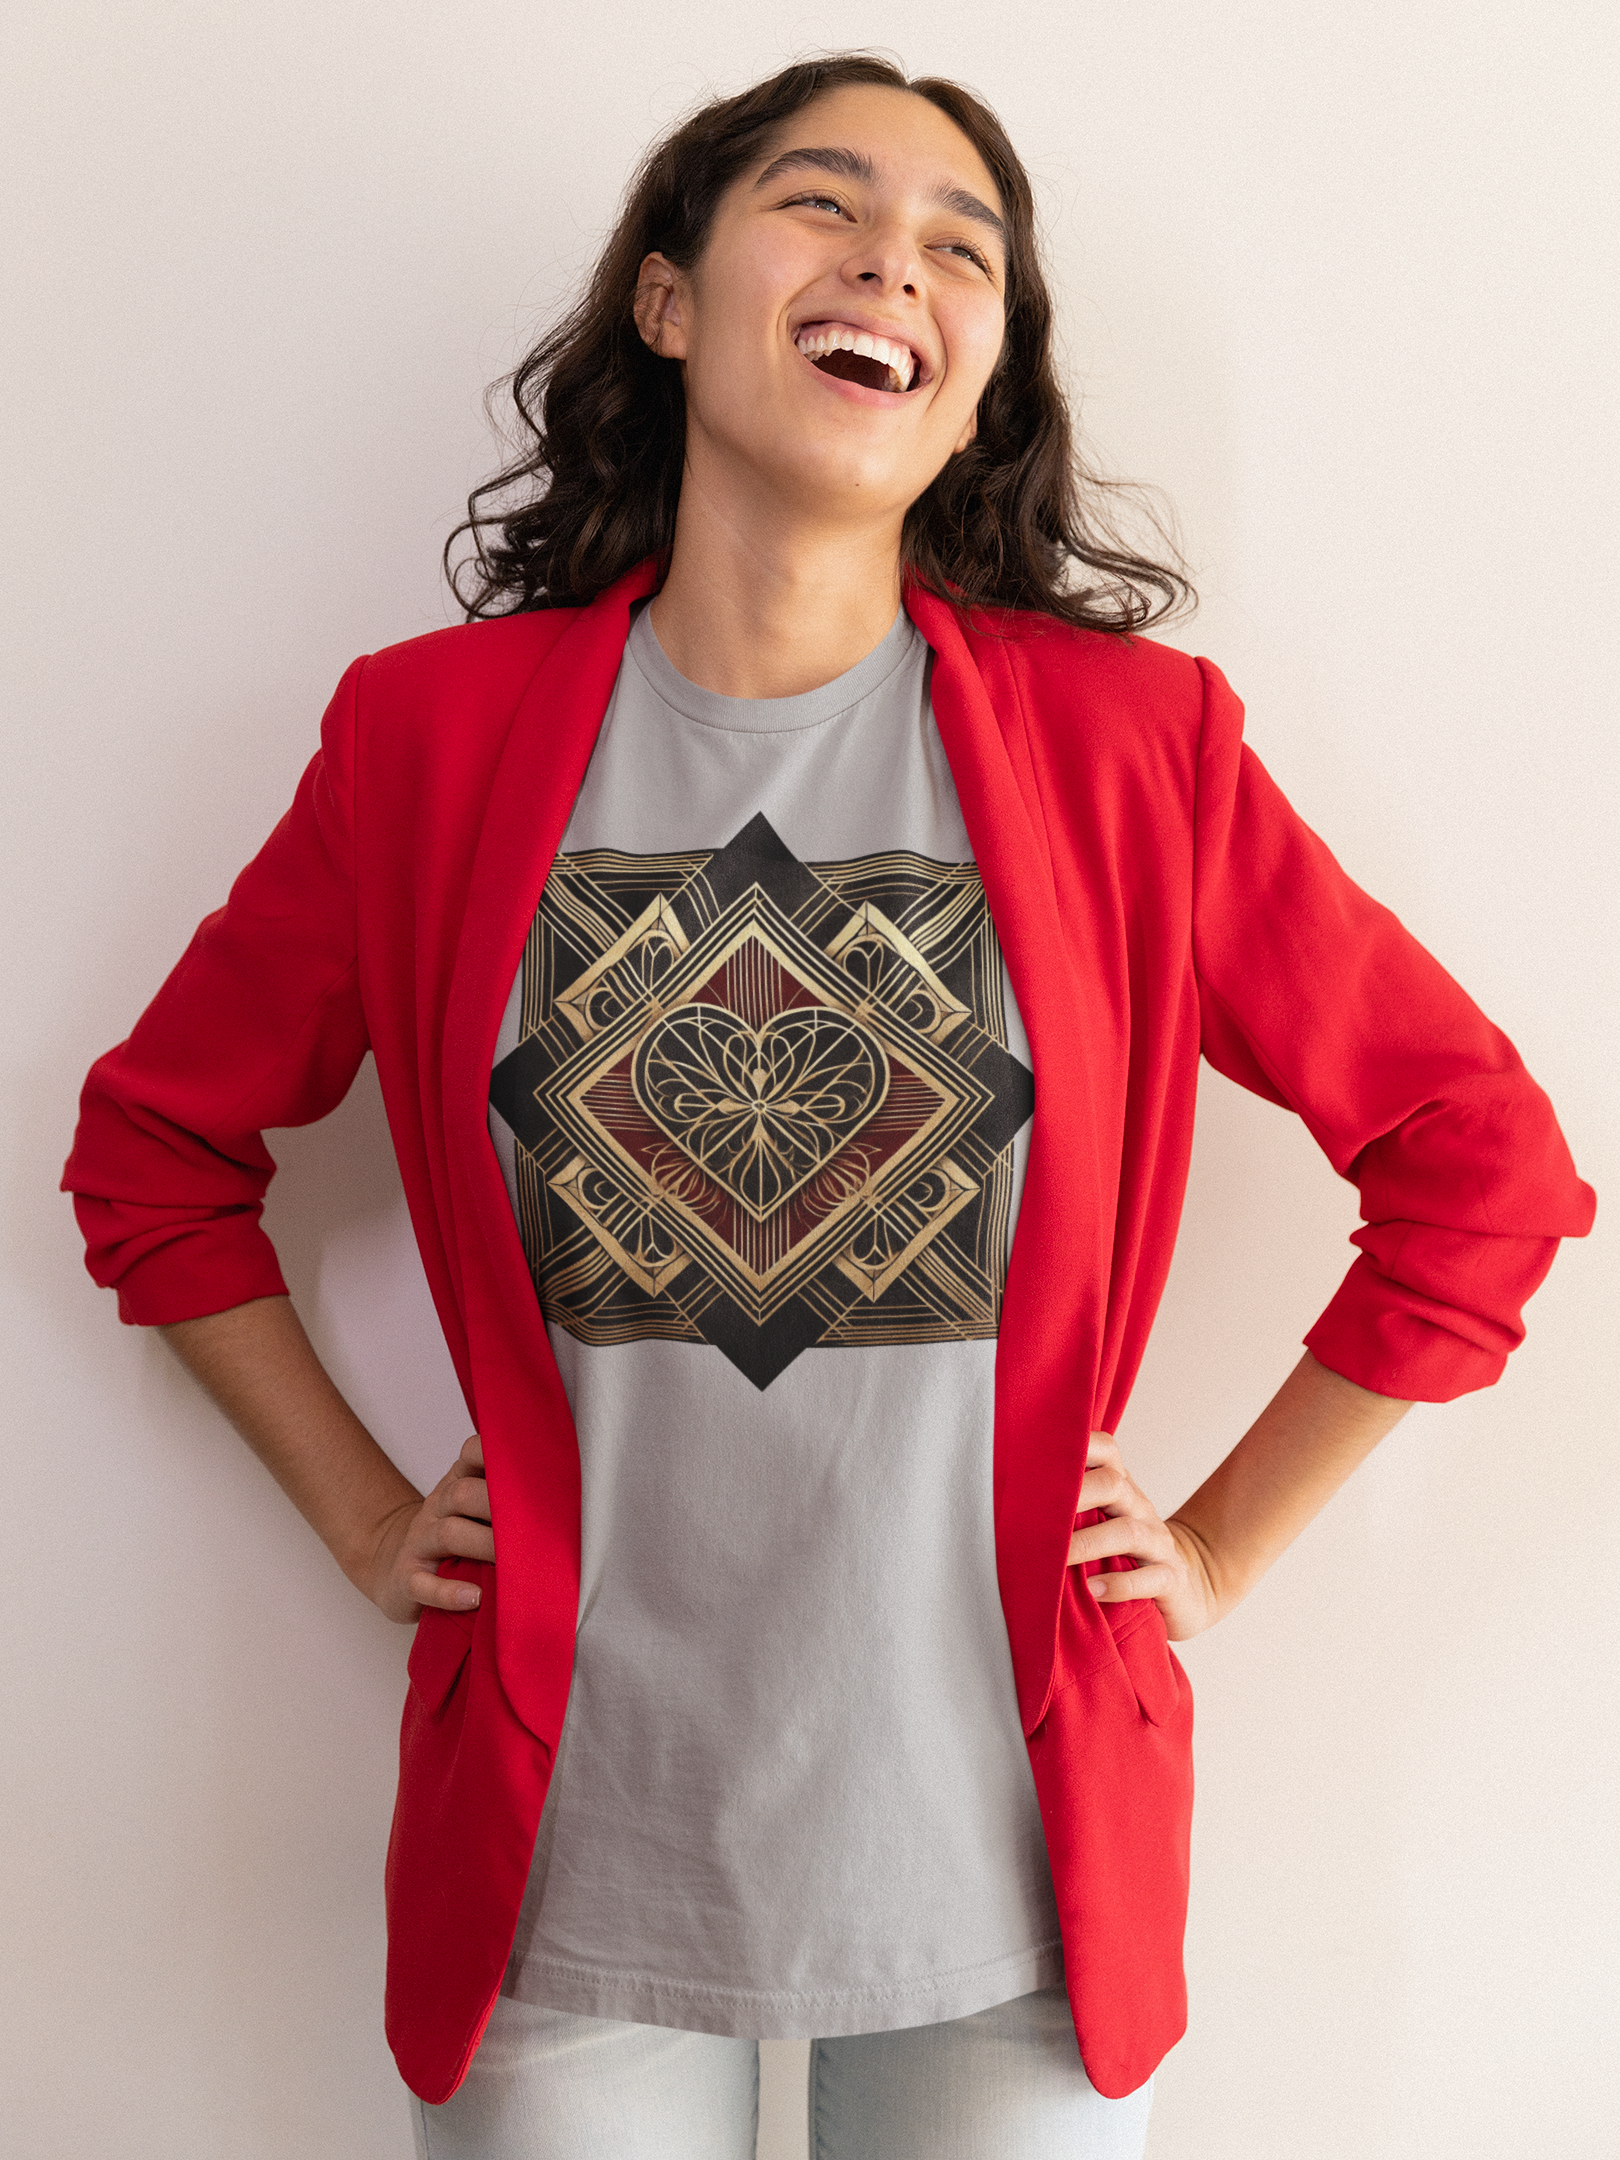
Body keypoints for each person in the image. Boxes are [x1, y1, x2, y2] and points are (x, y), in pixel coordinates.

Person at [62, 52, 1593, 2160]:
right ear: (672, 303)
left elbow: (1481, 1169)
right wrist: (352, 1513)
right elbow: (154, 1153)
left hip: (1006, 1871)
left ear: (976, 388)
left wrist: (1221, 1552)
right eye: (823, 203)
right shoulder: (429, 740)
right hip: (571, 1861)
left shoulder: (1133, 755)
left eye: (966, 245)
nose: (899, 257)